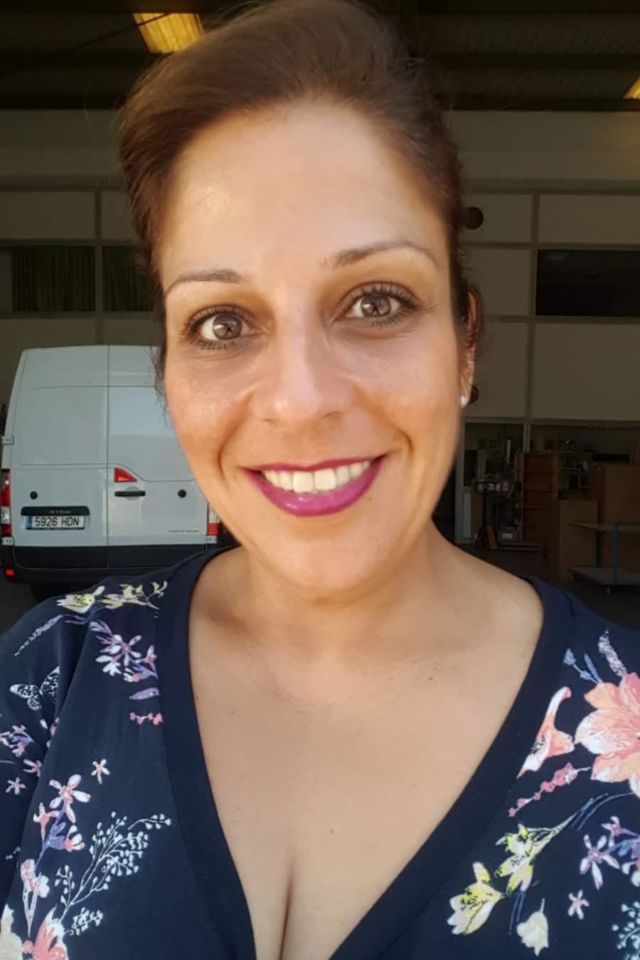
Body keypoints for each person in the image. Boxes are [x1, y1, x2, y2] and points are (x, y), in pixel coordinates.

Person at [1, 2, 639, 957]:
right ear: (168, 369)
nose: (299, 402)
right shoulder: (50, 683)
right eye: (222, 322)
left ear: (465, 342)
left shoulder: (625, 735)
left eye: (376, 302)